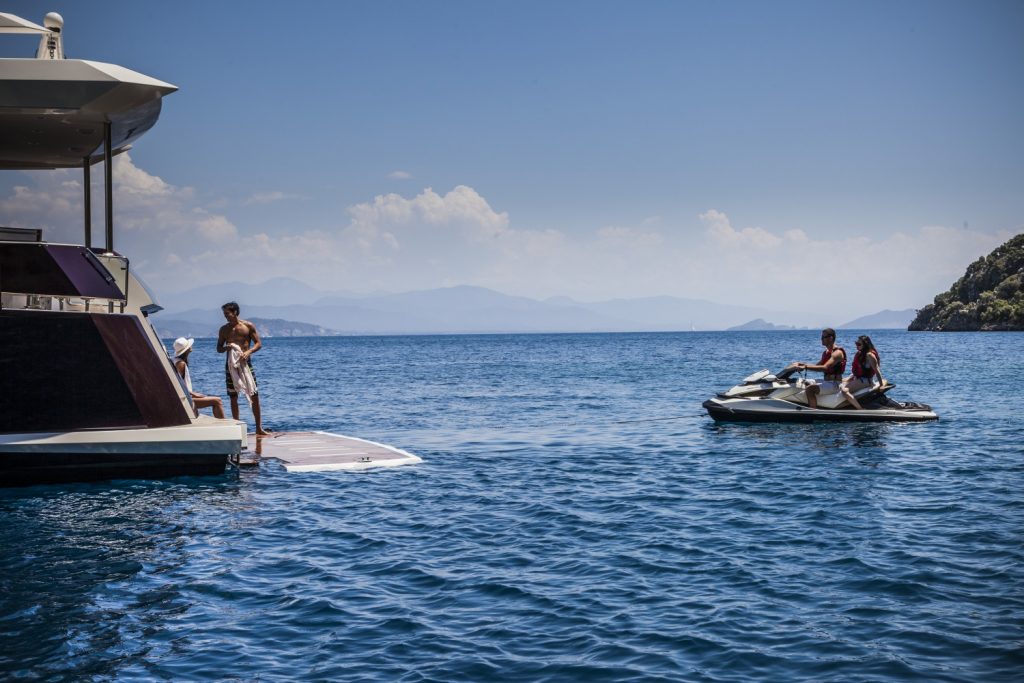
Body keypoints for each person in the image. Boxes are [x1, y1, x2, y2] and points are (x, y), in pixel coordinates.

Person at [216, 301, 269, 435]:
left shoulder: (248, 326)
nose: (225, 316)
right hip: (231, 365)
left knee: (254, 394)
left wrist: (248, 352)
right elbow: (218, 348)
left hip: (246, 364)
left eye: (227, 313)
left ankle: (258, 428)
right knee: (233, 396)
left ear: (235, 313)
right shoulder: (224, 330)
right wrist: (227, 347)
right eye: (224, 314)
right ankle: (237, 427)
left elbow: (258, 344)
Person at [785, 328, 846, 409]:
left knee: (810, 389)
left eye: (823, 337)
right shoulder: (826, 352)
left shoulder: (837, 353)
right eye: (821, 337)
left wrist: (805, 367)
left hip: (835, 384)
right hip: (826, 382)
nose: (821, 339)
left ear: (831, 338)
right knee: (803, 382)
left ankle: (813, 411)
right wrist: (800, 364)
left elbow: (824, 368)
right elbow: (817, 365)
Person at [172, 337, 225, 419]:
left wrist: (191, 393)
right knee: (217, 401)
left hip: (186, 396)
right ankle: (224, 428)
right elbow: (177, 384)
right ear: (186, 350)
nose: (191, 347)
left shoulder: (175, 360)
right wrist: (192, 393)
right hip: (184, 399)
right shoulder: (180, 363)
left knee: (211, 399)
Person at [840, 335, 885, 410]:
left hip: (866, 380)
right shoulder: (860, 353)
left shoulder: (870, 355)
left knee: (844, 391)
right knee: (839, 382)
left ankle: (859, 409)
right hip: (857, 377)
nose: (856, 345)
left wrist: (881, 385)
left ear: (865, 344)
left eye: (859, 344)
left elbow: (877, 370)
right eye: (856, 343)